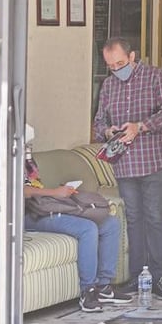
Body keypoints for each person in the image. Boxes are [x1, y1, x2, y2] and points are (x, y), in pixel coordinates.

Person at [92, 36, 162, 300]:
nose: (116, 69)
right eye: (111, 66)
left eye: (120, 63)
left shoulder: (154, 76)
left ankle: (159, 277)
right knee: (135, 220)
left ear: (132, 57)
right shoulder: (108, 86)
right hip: (125, 163)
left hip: (153, 160)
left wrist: (141, 126)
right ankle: (136, 276)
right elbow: (98, 122)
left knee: (154, 218)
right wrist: (108, 130)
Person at [23, 125, 131, 312]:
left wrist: (61, 193)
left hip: (44, 206)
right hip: (26, 215)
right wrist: (55, 192)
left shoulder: (27, 160)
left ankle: (104, 287)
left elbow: (35, 187)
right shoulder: (1, 159)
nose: (27, 146)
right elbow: (20, 191)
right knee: (87, 228)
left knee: (110, 224)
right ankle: (87, 291)